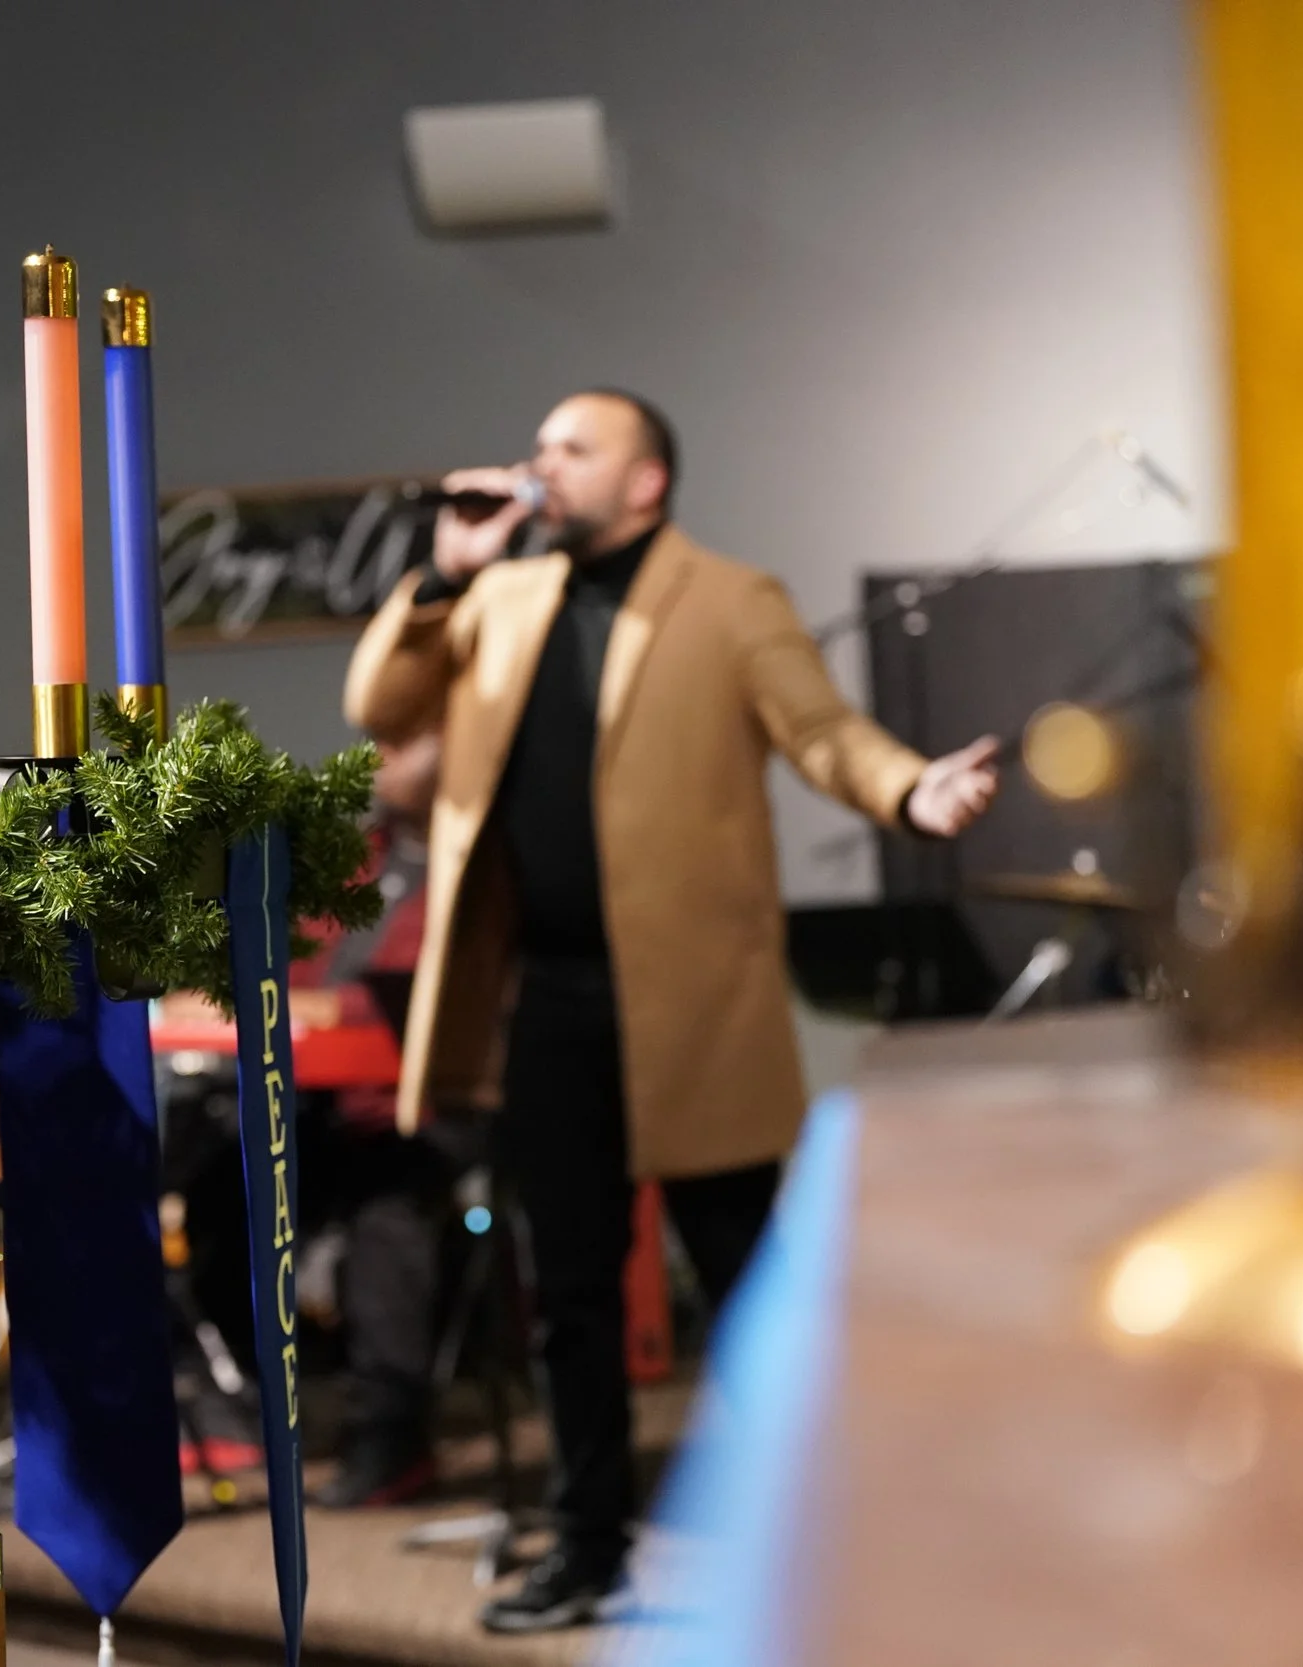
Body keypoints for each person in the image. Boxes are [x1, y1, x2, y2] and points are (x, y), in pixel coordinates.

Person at [342, 390, 998, 1633]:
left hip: (694, 1005)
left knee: (748, 1286)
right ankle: (588, 1544)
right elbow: (379, 704)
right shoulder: (501, 596)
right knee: (571, 1295)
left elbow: (821, 732)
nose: (542, 462)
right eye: (540, 445)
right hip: (547, 999)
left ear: (646, 480)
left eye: (573, 448)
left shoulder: (731, 598)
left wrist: (910, 790)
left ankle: (842, 1533)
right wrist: (444, 571)